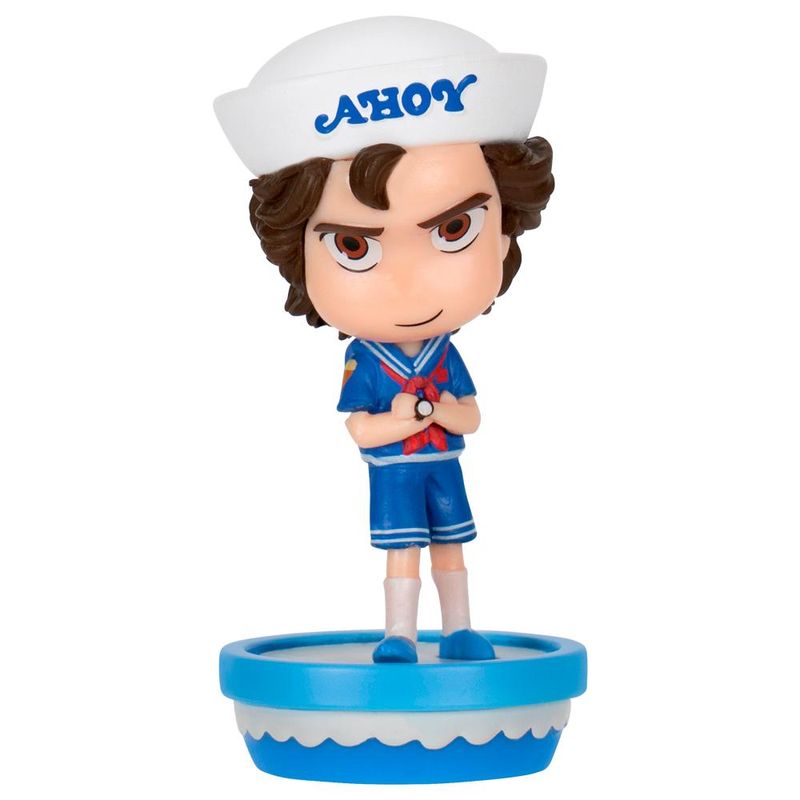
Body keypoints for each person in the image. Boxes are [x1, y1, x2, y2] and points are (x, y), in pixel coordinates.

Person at [215, 16, 555, 663]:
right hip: (396, 472)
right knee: (403, 552)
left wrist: (441, 412)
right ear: (299, 260)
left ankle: (459, 629)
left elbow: (472, 415)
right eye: (354, 246)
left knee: (452, 546)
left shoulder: (443, 354)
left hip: (442, 465)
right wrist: (404, 419)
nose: (408, 282)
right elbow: (358, 428)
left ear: (503, 236)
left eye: (453, 230)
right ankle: (400, 632)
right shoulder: (364, 358)